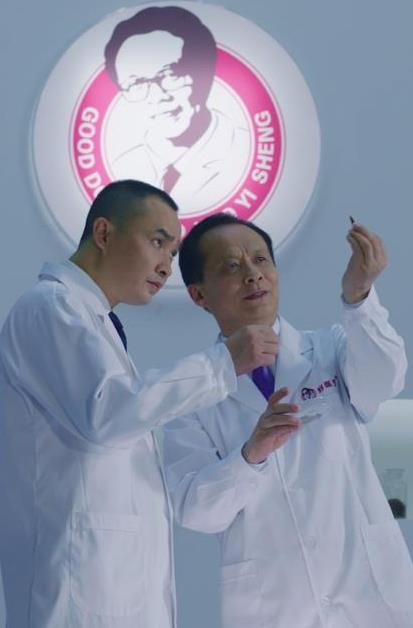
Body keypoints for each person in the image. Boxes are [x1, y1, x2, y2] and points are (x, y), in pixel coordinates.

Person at [0, 182, 277, 628]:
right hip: (74, 599)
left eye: (173, 252)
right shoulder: (50, 307)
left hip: (113, 593)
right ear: (104, 233)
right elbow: (106, 413)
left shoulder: (95, 324)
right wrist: (222, 364)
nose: (166, 266)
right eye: (157, 242)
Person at [163, 213, 413, 628]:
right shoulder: (192, 395)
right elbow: (196, 511)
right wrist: (250, 456)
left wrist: (358, 298)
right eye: (231, 266)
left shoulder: (330, 349)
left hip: (368, 595)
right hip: (274, 608)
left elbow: (385, 378)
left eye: (261, 259)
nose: (252, 274)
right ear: (198, 294)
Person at [104, 6, 249, 215]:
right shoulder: (122, 167)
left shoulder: (241, 154)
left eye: (170, 74)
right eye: (136, 84)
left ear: (204, 75)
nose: (158, 95)